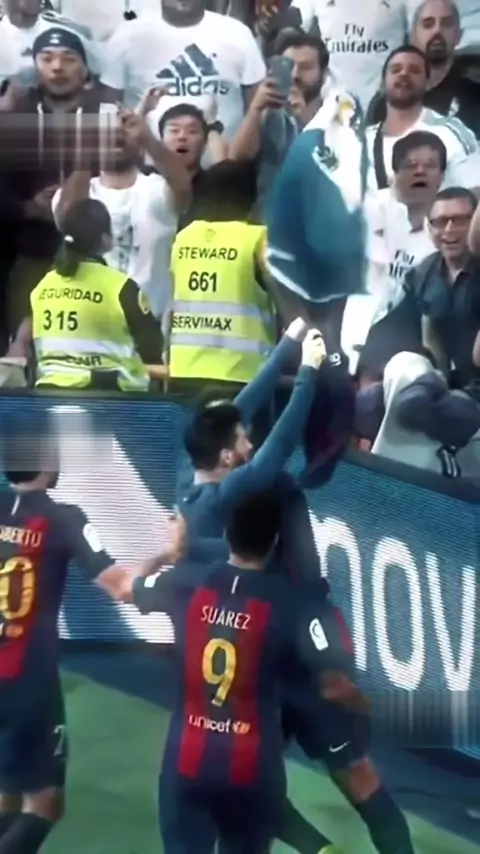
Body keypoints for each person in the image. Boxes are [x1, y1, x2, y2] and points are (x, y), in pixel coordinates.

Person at [118, 492, 347, 854]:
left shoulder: (185, 583)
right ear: (273, 543)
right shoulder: (292, 604)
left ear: (226, 535)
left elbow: (125, 587)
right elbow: (331, 681)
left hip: (187, 759)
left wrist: (166, 554)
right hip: (254, 766)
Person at [0, 411, 165, 854]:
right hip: (29, 683)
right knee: (45, 804)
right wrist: (165, 559)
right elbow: (121, 587)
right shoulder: (64, 518)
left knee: (7, 794)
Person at [52, 102, 191, 321]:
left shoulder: (156, 189)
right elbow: (66, 215)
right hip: (95, 324)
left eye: (125, 129)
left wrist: (148, 138)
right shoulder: (80, 191)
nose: (117, 134)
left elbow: (183, 187)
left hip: (151, 325)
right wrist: (86, 151)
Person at [20, 197, 163, 390]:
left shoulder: (42, 287)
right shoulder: (119, 287)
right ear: (105, 239)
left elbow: (32, 350)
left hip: (50, 393)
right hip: (110, 396)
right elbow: (152, 347)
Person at [343, 130, 442, 380]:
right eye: (411, 165)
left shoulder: (446, 226)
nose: (420, 171)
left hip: (415, 344)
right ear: (395, 173)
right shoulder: (374, 208)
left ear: (442, 176)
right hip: (359, 332)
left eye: (430, 165)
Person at [167, 160, 276, 385]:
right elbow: (285, 295)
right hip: (242, 372)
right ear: (251, 198)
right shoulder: (257, 238)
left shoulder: (184, 237)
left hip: (184, 369)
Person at [100, 0, 266, 138]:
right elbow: (108, 112)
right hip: (147, 164)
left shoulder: (237, 33)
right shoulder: (126, 36)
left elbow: (258, 112)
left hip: (225, 163)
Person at [366, 45, 480, 192]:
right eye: (396, 70)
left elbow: (476, 190)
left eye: (414, 70)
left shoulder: (451, 133)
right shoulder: (363, 141)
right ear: (382, 83)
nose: (404, 74)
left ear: (428, 83)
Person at [404, 186, 480, 388]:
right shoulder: (422, 273)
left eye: (460, 220)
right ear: (429, 229)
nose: (449, 229)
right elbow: (412, 330)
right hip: (446, 385)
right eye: (440, 221)